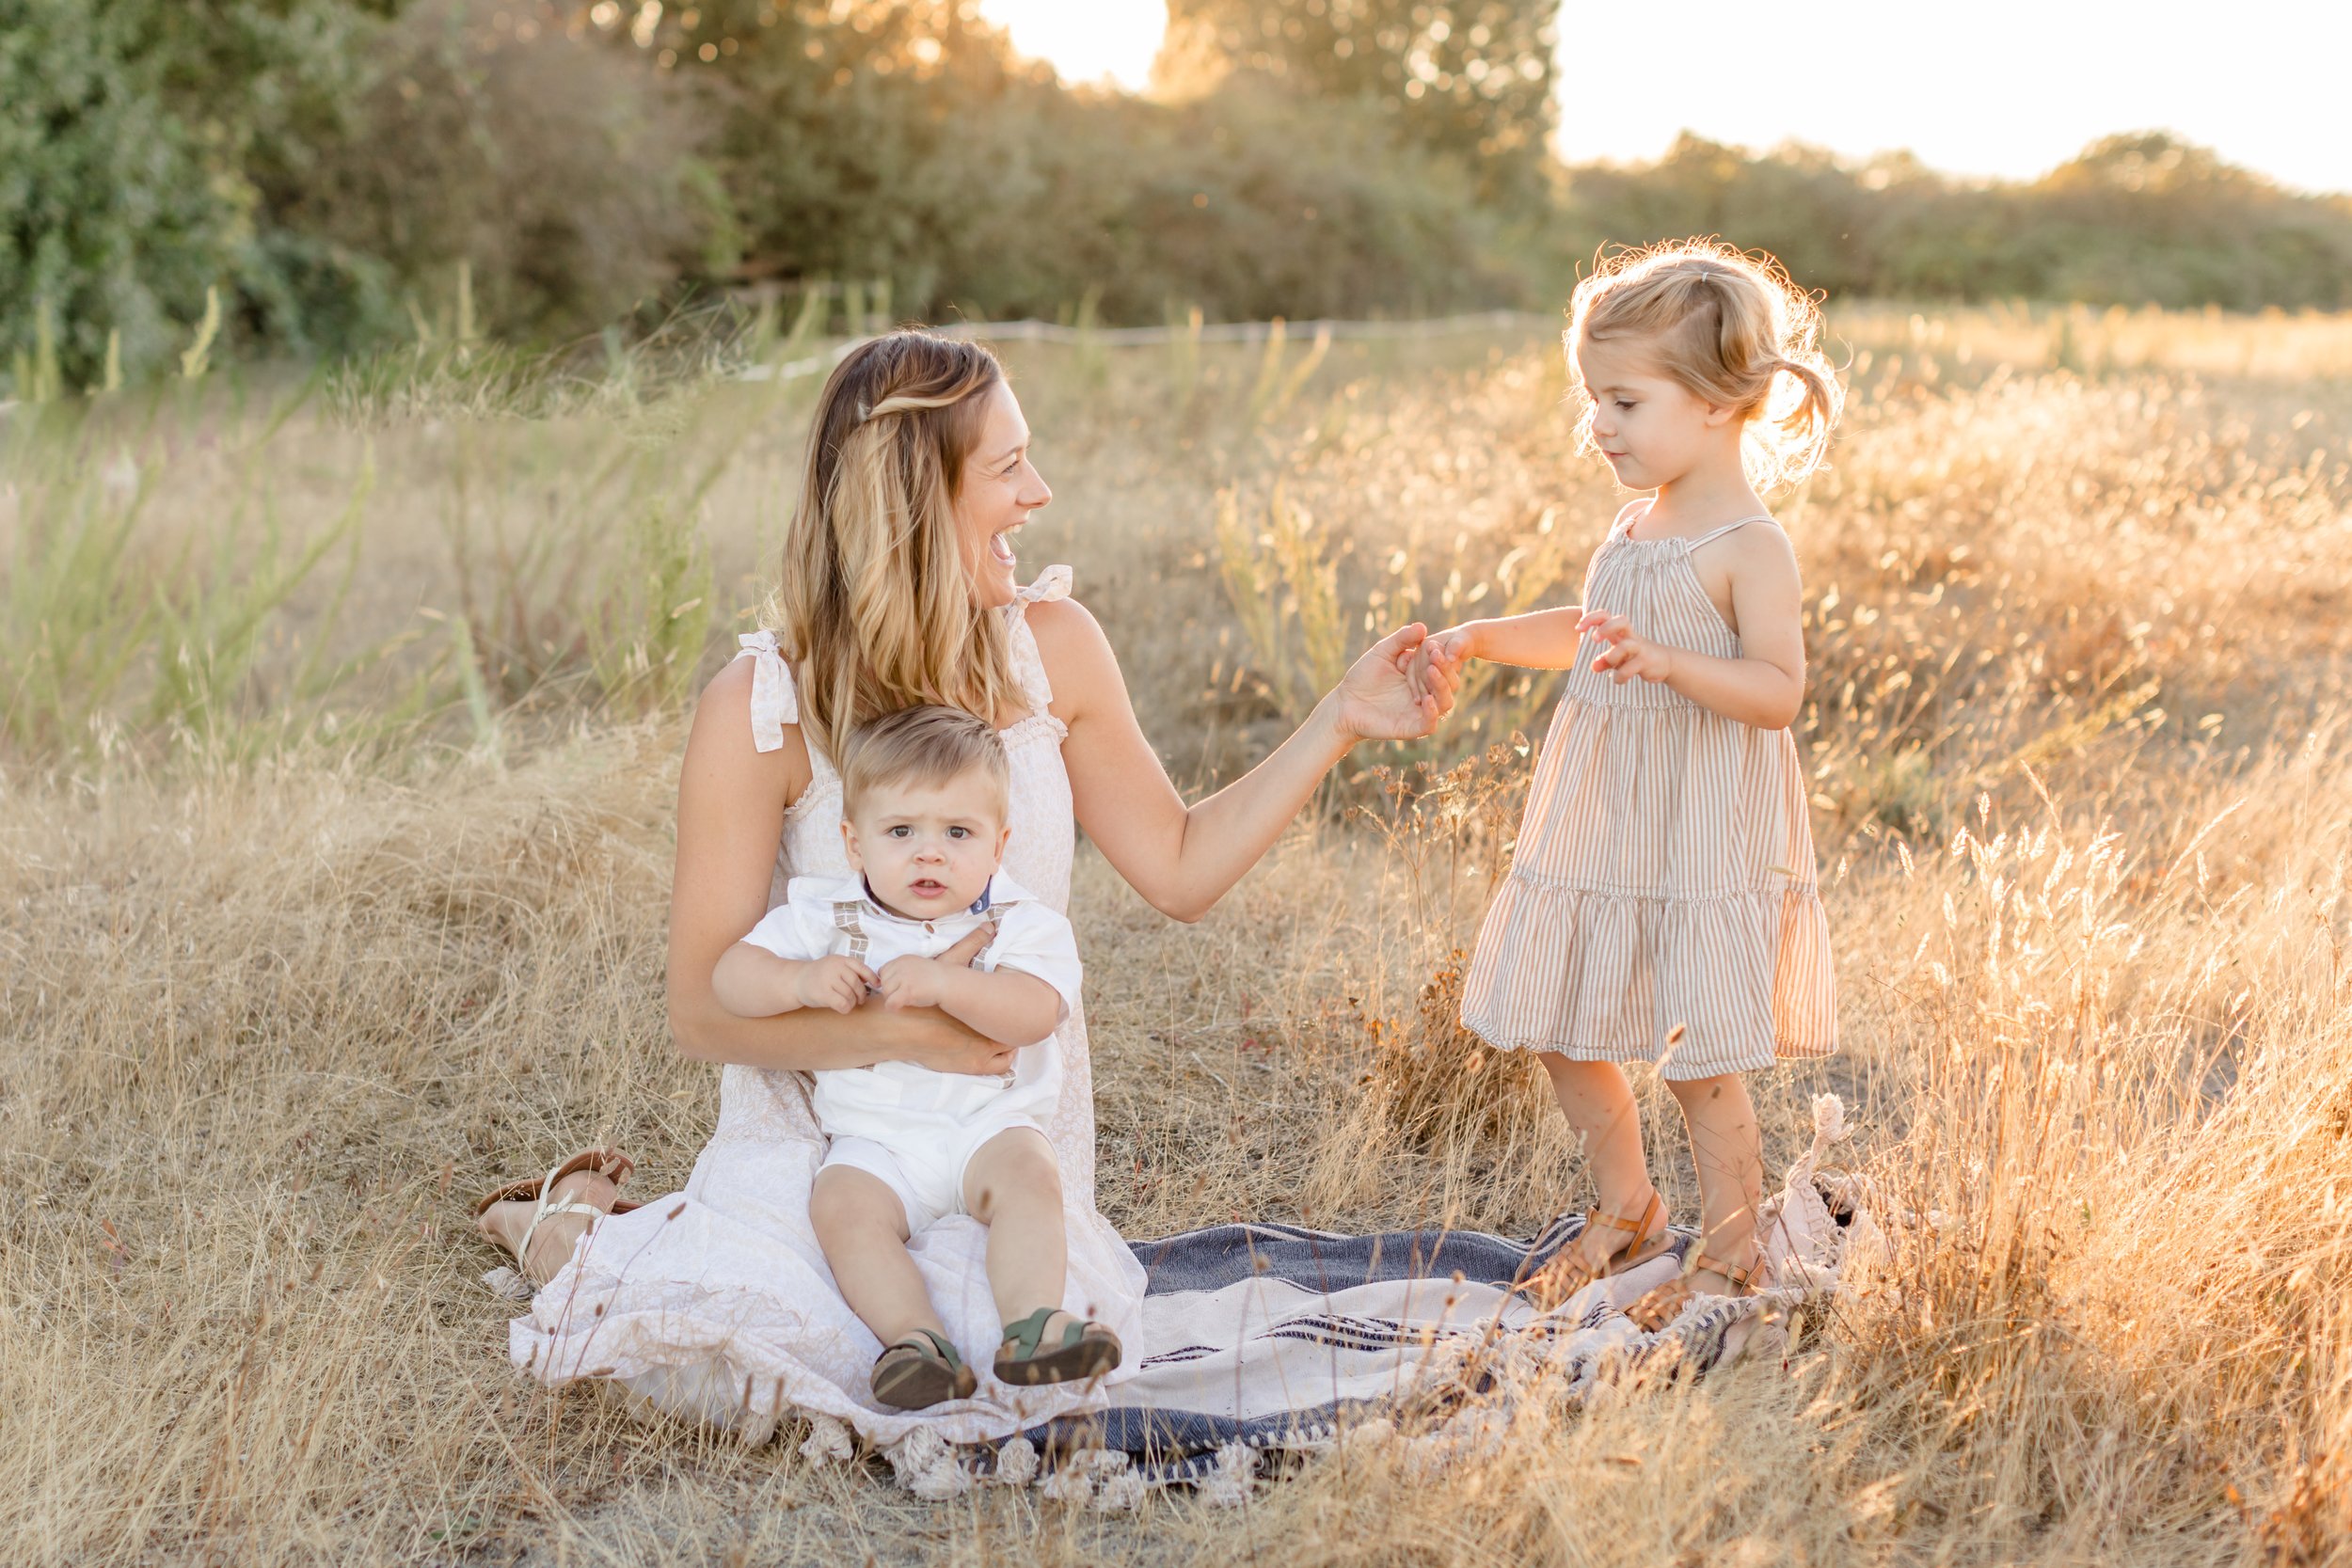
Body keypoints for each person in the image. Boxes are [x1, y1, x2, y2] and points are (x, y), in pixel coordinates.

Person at [474, 327, 1455, 1441]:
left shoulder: (1052, 648)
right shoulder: (761, 707)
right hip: (825, 1142)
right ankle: (562, 1225)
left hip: (1000, 1137)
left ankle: (637, 1228)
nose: (1038, 492)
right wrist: (910, 1037)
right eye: (1006, 467)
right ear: (910, 497)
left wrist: (1339, 721)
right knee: (755, 1358)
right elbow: (701, 1007)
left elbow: (1180, 868)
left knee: (1013, 1351)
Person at [1409, 240, 1842, 1328]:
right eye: (1591, 397)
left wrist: (1672, 663)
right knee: (1565, 1019)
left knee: (1700, 1048)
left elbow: (1777, 689)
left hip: (1699, 828)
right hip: (1608, 820)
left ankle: (1734, 1247)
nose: (1596, 423)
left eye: (1623, 400)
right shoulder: (1636, 521)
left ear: (1713, 404)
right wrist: (1479, 636)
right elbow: (1587, 628)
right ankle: (1629, 1205)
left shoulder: (1750, 542)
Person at [713, 704, 1113, 1409]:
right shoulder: (829, 914)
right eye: (901, 831)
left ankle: (1034, 1327)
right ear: (854, 842)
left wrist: (946, 983)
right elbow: (730, 978)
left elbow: (1038, 1011)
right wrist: (798, 980)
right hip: (877, 1140)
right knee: (840, 1207)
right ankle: (916, 1341)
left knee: (1032, 1178)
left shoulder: (1015, 920)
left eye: (958, 832)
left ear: (1000, 842)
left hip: (989, 1126)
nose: (930, 853)